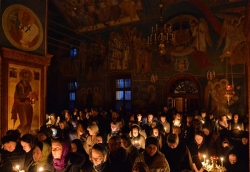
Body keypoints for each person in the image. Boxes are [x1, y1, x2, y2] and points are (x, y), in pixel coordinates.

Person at [11, 69, 37, 134]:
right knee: (23, 122)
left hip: (28, 105)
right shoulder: (19, 85)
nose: (26, 78)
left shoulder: (28, 85)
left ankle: (24, 136)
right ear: (22, 77)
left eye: (27, 77)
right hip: (21, 104)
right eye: (24, 76)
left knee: (29, 123)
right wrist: (26, 98)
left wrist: (32, 98)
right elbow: (19, 96)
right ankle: (15, 135)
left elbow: (30, 95)